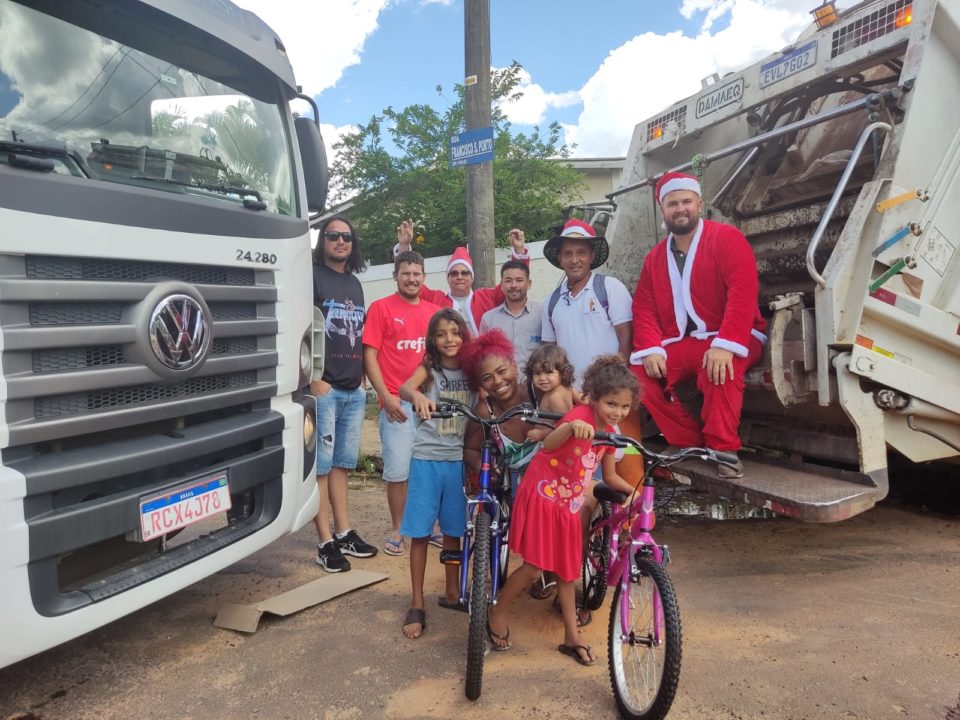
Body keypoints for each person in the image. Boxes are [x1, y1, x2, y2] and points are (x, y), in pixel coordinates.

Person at [486, 355, 641, 665]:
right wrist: (572, 425)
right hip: (543, 495)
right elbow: (549, 445)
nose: (618, 412)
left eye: (624, 407)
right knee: (533, 569)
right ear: (594, 397)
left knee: (568, 570)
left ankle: (571, 636)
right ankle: (496, 612)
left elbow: (609, 475)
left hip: (568, 505)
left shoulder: (611, 431)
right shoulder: (579, 414)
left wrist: (633, 492)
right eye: (611, 404)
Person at [630, 172, 767, 479]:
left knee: (720, 368)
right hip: (681, 343)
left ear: (699, 204)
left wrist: (725, 343)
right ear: (663, 210)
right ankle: (688, 441)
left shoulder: (726, 238)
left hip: (735, 335)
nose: (680, 209)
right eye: (672, 203)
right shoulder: (654, 258)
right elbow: (644, 308)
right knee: (637, 377)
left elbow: (742, 292)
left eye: (686, 201)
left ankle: (723, 449)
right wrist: (651, 349)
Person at [397, 309, 476, 639]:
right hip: (427, 460)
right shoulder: (428, 369)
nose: (449, 339)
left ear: (464, 335)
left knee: (455, 532)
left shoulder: (473, 373)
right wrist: (416, 396)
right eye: (442, 334)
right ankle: (416, 603)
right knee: (418, 533)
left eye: (455, 332)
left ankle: (452, 592)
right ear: (433, 339)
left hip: (457, 462)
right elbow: (403, 388)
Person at [363, 250, 442, 556]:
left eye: (417, 273)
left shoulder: (433, 313)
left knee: (429, 468)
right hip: (396, 405)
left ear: (424, 277)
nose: (411, 279)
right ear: (395, 275)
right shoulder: (381, 308)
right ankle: (398, 527)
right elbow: (370, 356)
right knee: (398, 471)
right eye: (405, 273)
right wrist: (385, 397)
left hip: (430, 405)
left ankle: (430, 525)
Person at [310, 215, 378, 573]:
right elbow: (299, 329)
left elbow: (360, 332)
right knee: (320, 469)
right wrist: (310, 379)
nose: (340, 241)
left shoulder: (354, 283)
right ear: (323, 240)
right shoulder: (312, 278)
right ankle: (323, 542)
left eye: (347, 237)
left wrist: (364, 378)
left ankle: (343, 532)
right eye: (333, 236)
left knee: (341, 466)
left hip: (353, 390)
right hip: (325, 389)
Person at [540, 218, 633, 388]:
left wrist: (619, 383)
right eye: (567, 254)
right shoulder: (551, 302)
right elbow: (550, 352)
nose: (574, 260)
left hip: (609, 392)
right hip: (571, 396)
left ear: (592, 256)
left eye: (581, 252)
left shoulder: (610, 288)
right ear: (560, 259)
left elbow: (626, 337)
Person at [394, 223, 530, 336]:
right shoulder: (435, 299)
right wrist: (404, 247)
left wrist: (519, 251)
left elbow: (515, 281)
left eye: (464, 273)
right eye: (454, 273)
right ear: (448, 278)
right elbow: (411, 283)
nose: (459, 277)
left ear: (472, 278)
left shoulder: (488, 297)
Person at [460, 329, 539, 494]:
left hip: (549, 482)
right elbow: (470, 450)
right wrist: (483, 466)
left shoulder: (537, 393)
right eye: (487, 378)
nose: (497, 381)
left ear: (514, 367)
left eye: (502, 371)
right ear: (480, 384)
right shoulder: (485, 411)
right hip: (512, 487)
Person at [479, 259, 542, 381]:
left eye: (519, 280)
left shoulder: (542, 314)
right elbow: (483, 359)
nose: (513, 285)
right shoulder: (489, 319)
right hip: (501, 391)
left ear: (529, 284)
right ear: (501, 285)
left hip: (537, 390)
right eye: (508, 281)